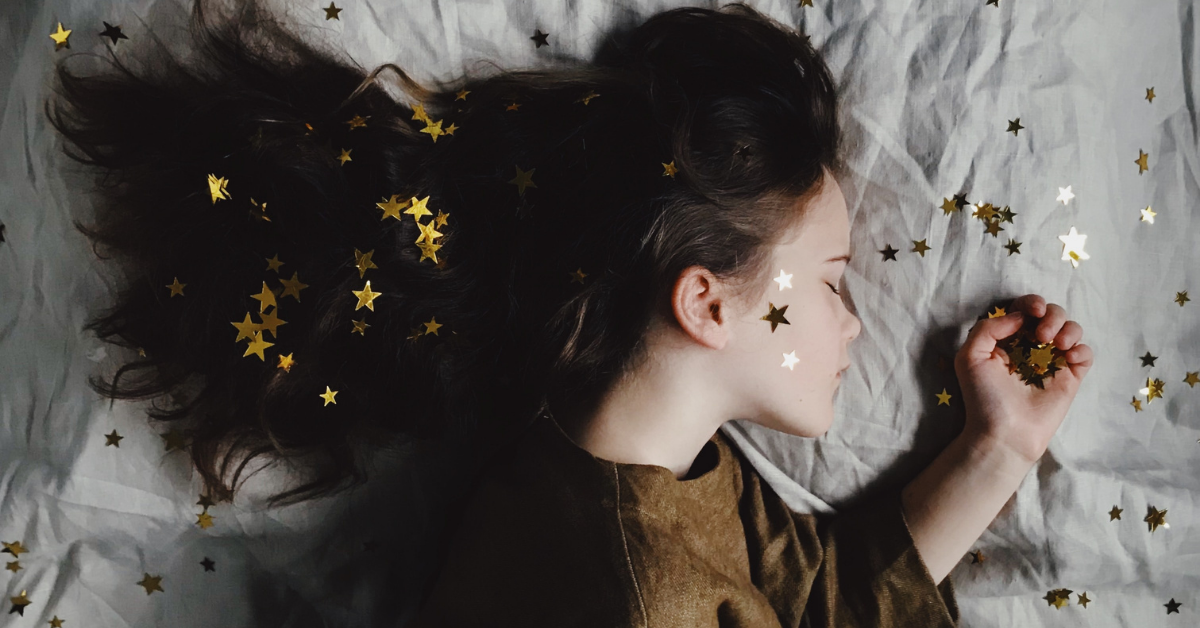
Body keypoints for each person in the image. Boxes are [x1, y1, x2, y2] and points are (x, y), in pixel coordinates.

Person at [45, 0, 1093, 625]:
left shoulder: (640, 469)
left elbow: (823, 594)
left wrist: (998, 446)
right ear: (706, 302)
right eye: (829, 280)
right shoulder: (633, 592)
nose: (856, 324)